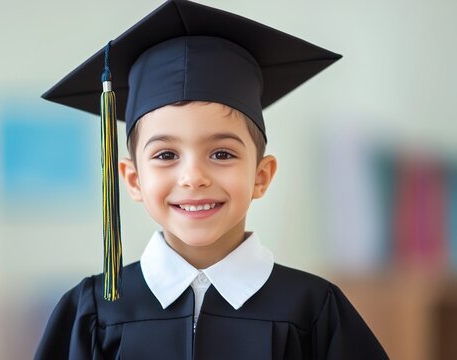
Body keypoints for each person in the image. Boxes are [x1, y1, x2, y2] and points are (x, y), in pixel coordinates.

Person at [35, 0, 388, 358]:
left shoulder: (312, 310)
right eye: (166, 155)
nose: (193, 177)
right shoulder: (94, 312)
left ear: (261, 177)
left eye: (222, 154)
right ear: (132, 178)